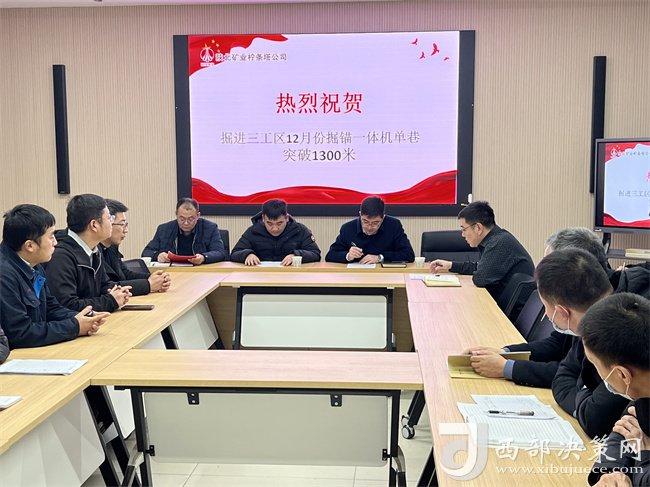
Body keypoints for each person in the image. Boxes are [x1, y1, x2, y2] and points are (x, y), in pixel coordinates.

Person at [467, 227, 612, 388]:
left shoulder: (613, 317)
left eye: (551, 265)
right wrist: (505, 353)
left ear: (578, 265)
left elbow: (578, 376)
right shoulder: (581, 298)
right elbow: (556, 345)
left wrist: (508, 368)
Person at [0, 204, 109, 348]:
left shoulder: (34, 265)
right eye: (51, 236)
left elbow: (51, 308)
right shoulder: (4, 275)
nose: (55, 242)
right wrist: (75, 326)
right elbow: (20, 334)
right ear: (30, 246)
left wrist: (83, 317)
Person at [580, 293, 649, 486]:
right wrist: (613, 471)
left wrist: (644, 455)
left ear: (623, 375)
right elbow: (623, 429)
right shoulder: (642, 389)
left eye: (595, 365)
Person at [429, 201, 534, 302]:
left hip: (509, 312)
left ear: (478, 228)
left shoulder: (498, 242)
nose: (462, 234)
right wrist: (451, 265)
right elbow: (481, 268)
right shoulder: (495, 239)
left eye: (464, 229)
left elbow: (480, 278)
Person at [46, 194, 132, 312]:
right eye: (109, 218)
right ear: (94, 225)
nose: (111, 223)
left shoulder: (94, 249)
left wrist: (118, 292)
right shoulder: (61, 256)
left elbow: (103, 285)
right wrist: (111, 301)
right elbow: (67, 305)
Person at [100, 199, 171, 295]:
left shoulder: (111, 247)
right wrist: (148, 284)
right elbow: (106, 287)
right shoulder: (94, 252)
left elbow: (125, 274)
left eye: (126, 225)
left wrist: (155, 278)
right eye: (122, 224)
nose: (126, 230)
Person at [325, 196, 415, 264]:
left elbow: (408, 255)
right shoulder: (348, 228)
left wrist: (380, 257)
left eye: (375, 223)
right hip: (355, 277)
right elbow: (330, 255)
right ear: (360, 215)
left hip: (385, 276)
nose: (369, 227)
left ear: (383, 218)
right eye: (365, 221)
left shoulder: (393, 225)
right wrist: (348, 256)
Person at [230, 199, 321, 266]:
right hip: (260, 277)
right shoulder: (253, 231)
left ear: (286, 218)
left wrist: (296, 255)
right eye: (269, 223)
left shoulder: (299, 230)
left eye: (279, 223)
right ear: (263, 219)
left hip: (292, 277)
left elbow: (315, 254)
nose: (274, 228)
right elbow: (234, 254)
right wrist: (247, 254)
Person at [142, 198, 226, 265]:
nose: (186, 223)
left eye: (190, 219)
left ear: (198, 216)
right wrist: (158, 255)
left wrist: (203, 257)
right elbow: (146, 252)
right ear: (176, 214)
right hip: (172, 273)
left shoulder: (210, 228)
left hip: (200, 272)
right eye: (182, 219)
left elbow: (220, 253)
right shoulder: (164, 229)